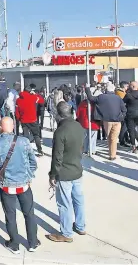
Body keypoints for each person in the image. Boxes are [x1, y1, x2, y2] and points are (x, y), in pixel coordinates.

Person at [0, 117, 40, 253]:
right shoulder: (24, 141)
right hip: (24, 183)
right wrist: (28, 175)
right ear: (13, 126)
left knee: (10, 215)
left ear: (1, 127)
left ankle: (14, 243)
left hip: (7, 185)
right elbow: (33, 162)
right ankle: (33, 242)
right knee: (29, 213)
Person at [47, 102, 86, 243]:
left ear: (58, 114)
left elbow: (57, 157)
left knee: (64, 204)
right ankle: (80, 226)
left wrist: (53, 174)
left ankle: (66, 233)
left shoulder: (60, 131)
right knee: (78, 200)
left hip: (64, 172)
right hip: (77, 169)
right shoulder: (79, 126)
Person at [85, 82, 127, 160]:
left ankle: (111, 153)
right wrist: (122, 116)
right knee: (114, 138)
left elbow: (90, 98)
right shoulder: (118, 98)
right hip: (117, 121)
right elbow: (124, 109)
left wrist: (87, 88)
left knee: (109, 137)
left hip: (107, 120)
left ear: (105, 90)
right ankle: (112, 155)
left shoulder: (101, 97)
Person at [15, 85, 45, 156]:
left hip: (23, 120)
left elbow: (17, 111)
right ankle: (40, 151)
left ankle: (26, 151)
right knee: (36, 135)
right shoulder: (34, 97)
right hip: (33, 120)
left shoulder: (18, 100)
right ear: (30, 91)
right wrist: (36, 94)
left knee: (25, 136)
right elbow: (42, 101)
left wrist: (19, 118)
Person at [123, 81, 138, 153]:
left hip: (130, 114)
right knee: (134, 130)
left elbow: (122, 102)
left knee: (131, 130)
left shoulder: (128, 95)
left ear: (132, 87)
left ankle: (133, 147)